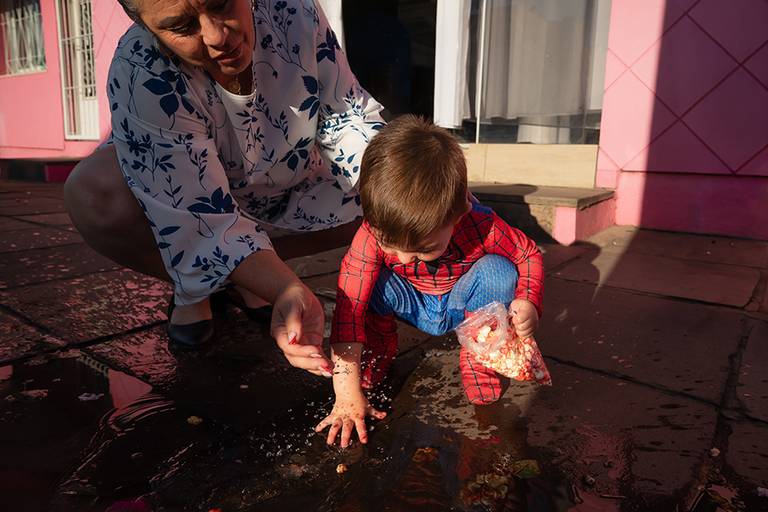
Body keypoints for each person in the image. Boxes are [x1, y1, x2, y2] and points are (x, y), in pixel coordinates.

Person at [63, 0, 385, 377]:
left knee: (385, 195)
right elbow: (193, 212)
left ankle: (251, 276)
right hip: (183, 206)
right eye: (181, 26)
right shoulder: (139, 65)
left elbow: (346, 119)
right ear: (145, 25)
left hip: (283, 190)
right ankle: (199, 287)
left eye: (220, 2)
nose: (217, 36)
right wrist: (285, 288)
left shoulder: (292, 10)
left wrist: (418, 191)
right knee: (95, 193)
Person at [314, 116, 544, 447]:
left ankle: (481, 358)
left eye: (423, 249)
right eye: (388, 244)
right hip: (410, 301)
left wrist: (528, 301)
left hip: (461, 304)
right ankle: (375, 356)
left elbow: (528, 255)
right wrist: (346, 389)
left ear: (459, 214)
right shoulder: (369, 236)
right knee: (363, 287)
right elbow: (350, 309)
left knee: (499, 271)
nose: (404, 258)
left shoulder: (482, 225)